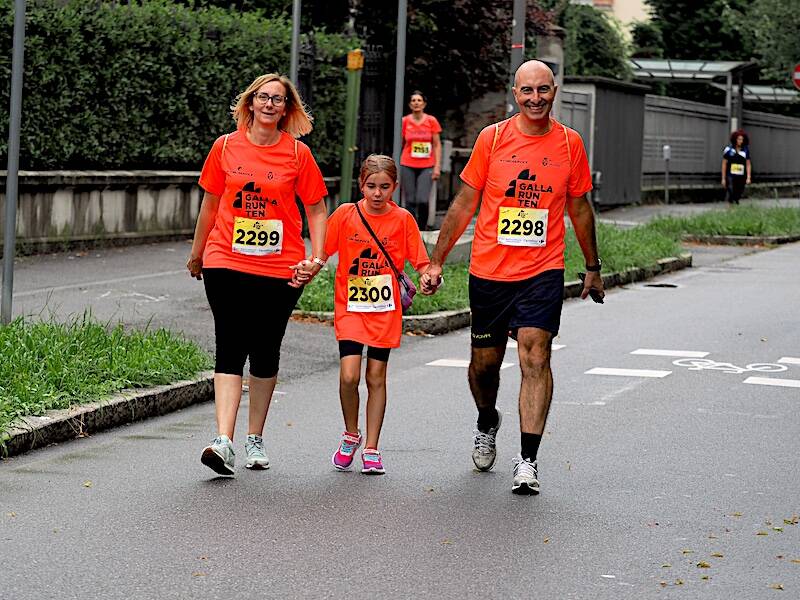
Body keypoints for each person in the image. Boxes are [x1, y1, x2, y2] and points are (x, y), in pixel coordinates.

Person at [420, 60, 604, 495]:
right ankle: (487, 419)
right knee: (484, 367)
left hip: (542, 270)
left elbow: (578, 208)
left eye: (543, 90)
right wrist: (436, 260)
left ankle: (528, 459)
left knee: (535, 357)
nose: (535, 99)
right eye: (527, 91)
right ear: (515, 94)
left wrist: (593, 267)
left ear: (554, 90)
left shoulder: (569, 143)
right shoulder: (494, 138)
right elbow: (465, 203)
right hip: (490, 270)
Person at [187, 73, 329, 476]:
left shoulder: (298, 155)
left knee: (265, 348)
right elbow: (210, 207)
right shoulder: (225, 147)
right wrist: (197, 254)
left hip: (280, 264)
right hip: (225, 258)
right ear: (249, 103)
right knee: (230, 341)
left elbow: (317, 208)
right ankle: (223, 441)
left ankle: (254, 438)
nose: (269, 104)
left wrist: (316, 257)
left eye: (277, 99)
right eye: (263, 97)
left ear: (287, 109)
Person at [323, 155, 431, 474]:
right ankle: (350, 433)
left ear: (395, 187)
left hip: (384, 310)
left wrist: (427, 275)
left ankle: (371, 447)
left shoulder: (402, 220)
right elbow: (322, 250)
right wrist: (308, 267)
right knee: (349, 375)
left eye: (384, 187)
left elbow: (420, 260)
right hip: (351, 307)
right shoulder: (345, 214)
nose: (377, 193)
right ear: (361, 185)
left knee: (376, 377)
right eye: (371, 186)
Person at [400, 91, 443, 230]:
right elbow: (400, 143)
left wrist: (437, 167)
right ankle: (411, 229)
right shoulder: (405, 121)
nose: (416, 103)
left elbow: (437, 144)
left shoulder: (431, 121)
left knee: (423, 200)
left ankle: (422, 228)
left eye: (419, 100)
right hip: (407, 163)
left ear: (424, 104)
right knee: (410, 200)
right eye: (413, 100)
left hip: (427, 165)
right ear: (409, 104)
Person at [721, 129, 751, 205]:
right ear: (735, 139)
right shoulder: (728, 150)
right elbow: (724, 164)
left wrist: (748, 177)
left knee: (738, 193)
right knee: (731, 190)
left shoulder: (745, 150)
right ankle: (730, 207)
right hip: (730, 175)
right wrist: (723, 178)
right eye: (739, 139)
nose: (741, 141)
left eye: (742, 139)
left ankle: (735, 206)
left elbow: (748, 164)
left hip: (741, 176)